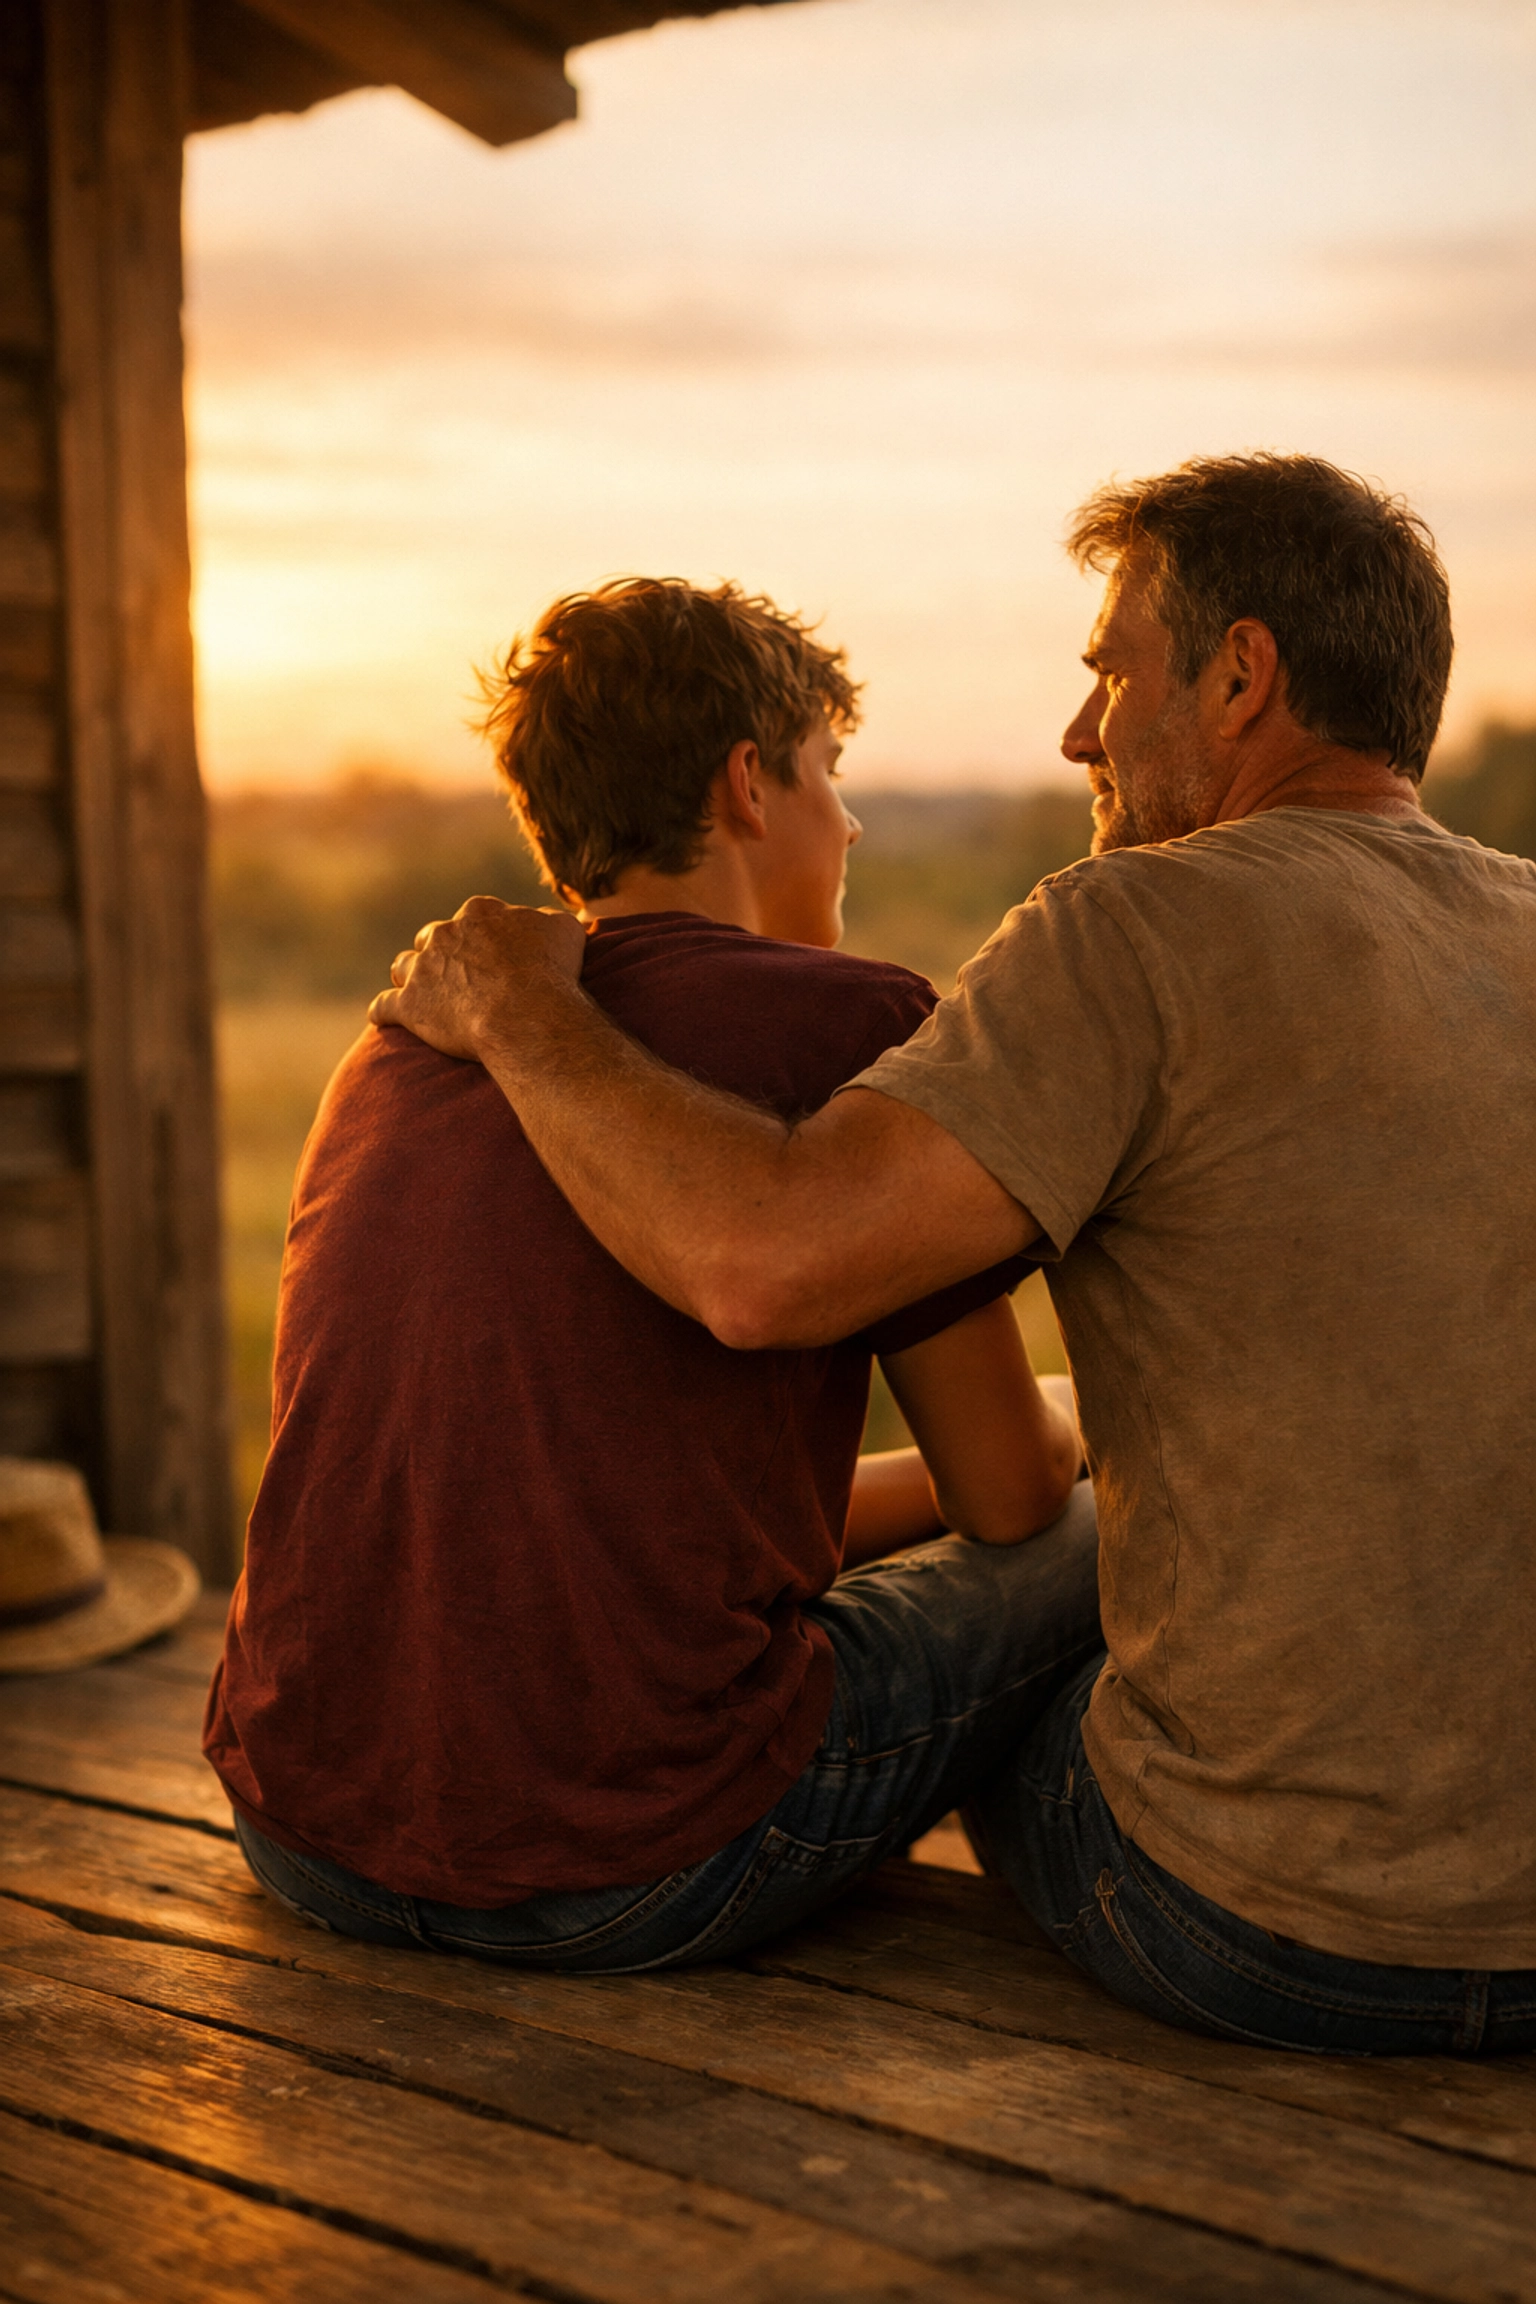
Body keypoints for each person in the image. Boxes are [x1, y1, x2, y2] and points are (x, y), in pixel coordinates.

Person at [372, 456, 1536, 2056]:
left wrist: (515, 1009)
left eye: (1108, 674)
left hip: (1264, 1933)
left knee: (1051, 1622)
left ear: (1244, 674)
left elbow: (763, 1266)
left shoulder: (1132, 926)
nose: (1078, 735)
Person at [205, 577, 1098, 1971]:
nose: (851, 824)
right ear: (751, 783)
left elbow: (593, 1497)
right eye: (831, 776)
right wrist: (1080, 1424)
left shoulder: (398, 1047)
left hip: (305, 1827)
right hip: (642, 1858)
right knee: (1097, 1538)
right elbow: (1010, 1492)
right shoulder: (854, 1023)